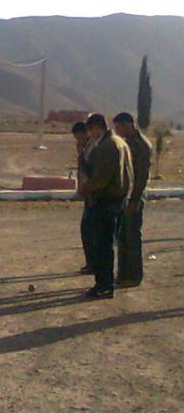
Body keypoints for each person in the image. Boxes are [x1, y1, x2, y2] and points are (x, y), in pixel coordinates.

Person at [82, 113, 133, 299]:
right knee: (107, 244)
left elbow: (102, 177)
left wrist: (86, 189)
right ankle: (105, 284)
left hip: (106, 201)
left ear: (97, 127)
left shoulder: (106, 146)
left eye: (90, 129)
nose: (90, 134)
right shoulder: (120, 143)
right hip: (118, 200)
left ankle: (104, 285)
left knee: (102, 246)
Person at [113, 112, 152, 287]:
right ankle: (123, 274)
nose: (117, 131)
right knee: (122, 237)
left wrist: (134, 200)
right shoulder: (127, 144)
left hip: (133, 198)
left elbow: (141, 176)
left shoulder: (141, 145)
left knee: (132, 237)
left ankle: (134, 276)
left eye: (119, 127)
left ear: (127, 124)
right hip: (124, 197)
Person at [72, 121, 95, 274]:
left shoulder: (94, 149)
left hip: (96, 194)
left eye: (82, 138)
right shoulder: (84, 149)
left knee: (93, 231)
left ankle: (95, 264)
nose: (79, 142)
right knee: (86, 230)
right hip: (87, 194)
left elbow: (91, 171)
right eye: (77, 139)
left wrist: (82, 155)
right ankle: (90, 263)